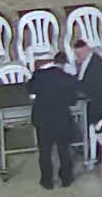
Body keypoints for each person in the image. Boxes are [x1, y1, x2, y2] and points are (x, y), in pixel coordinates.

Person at [26, 51, 81, 189]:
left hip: (42, 119)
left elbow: (30, 90)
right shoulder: (68, 79)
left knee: (44, 151)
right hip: (61, 119)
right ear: (64, 64)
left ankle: (46, 181)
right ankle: (66, 179)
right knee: (63, 150)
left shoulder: (39, 75)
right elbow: (73, 101)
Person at [72, 39, 102, 168]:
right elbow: (81, 77)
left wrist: (76, 86)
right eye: (77, 54)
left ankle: (98, 154)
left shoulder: (97, 63)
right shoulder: (86, 61)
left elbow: (91, 84)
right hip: (90, 98)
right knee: (90, 126)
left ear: (86, 49)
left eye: (80, 54)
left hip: (97, 100)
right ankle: (90, 149)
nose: (78, 57)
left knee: (96, 127)